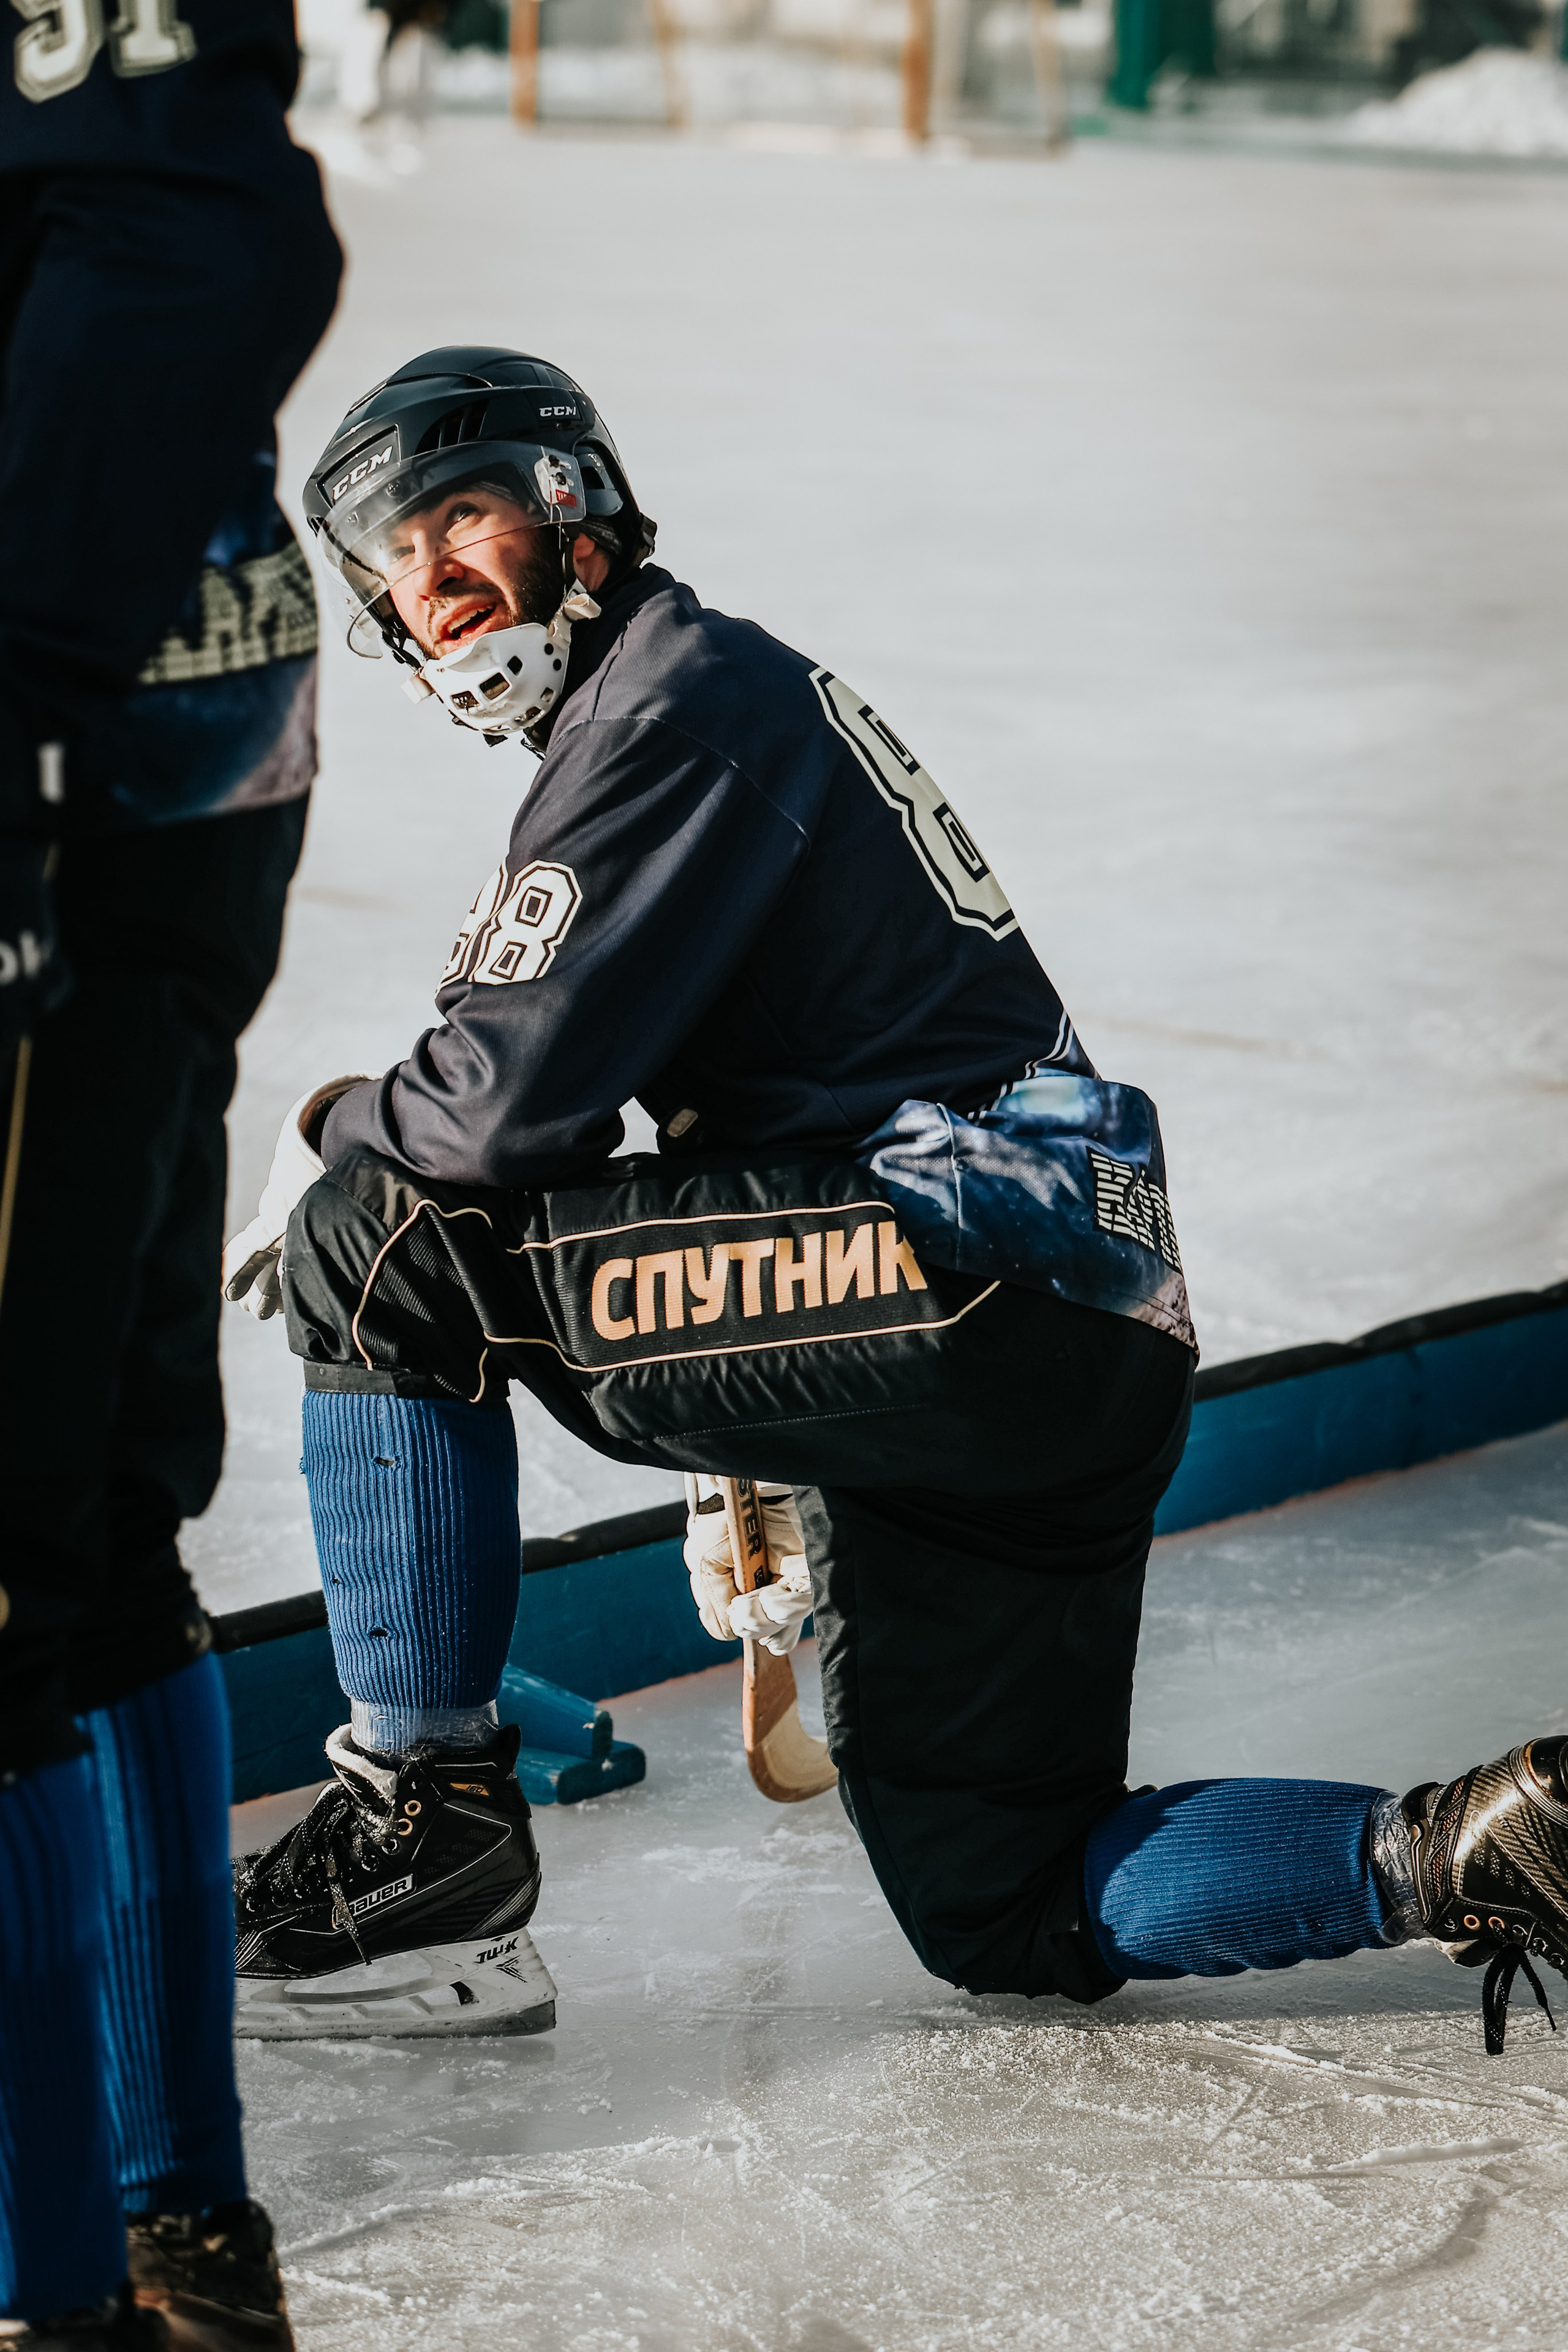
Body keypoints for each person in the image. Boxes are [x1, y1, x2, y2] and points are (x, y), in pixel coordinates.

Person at [225, 345, 1568, 2069]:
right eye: (392, 564)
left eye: (457, 516)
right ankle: (1475, 1843)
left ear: (576, 502)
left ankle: (430, 1843)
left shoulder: (664, 703)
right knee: (1008, 1903)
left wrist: (333, 1125)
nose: (429, 585)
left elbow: (490, 1122)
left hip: (963, 1272)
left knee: (377, 1233)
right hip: (1066, 1331)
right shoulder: (695, 695)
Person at [0, 6, 341, 2346]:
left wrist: (15, 680)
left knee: (19, 1574)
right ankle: (164, 2215)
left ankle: (59, 2285)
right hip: (152, 747)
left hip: (80, 767)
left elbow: (195, 231)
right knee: (91, 1532)